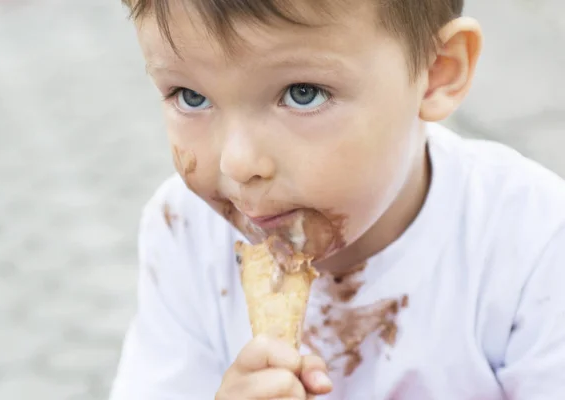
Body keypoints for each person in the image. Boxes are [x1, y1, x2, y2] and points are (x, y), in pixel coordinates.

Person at [109, 0, 565, 398]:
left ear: (435, 72)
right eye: (190, 96)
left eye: (302, 94)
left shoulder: (533, 243)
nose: (237, 162)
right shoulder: (183, 231)